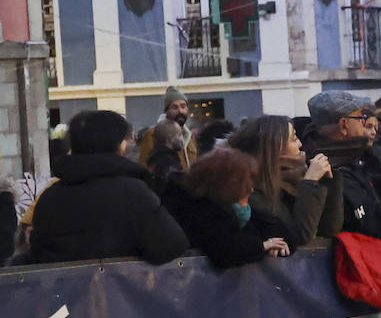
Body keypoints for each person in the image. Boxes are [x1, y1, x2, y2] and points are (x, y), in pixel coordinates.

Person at [26, 110, 188, 265]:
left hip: (65, 291)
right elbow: (172, 245)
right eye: (124, 139)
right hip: (120, 291)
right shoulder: (133, 193)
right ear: (116, 145)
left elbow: (38, 251)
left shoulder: (49, 197)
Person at [303, 90, 381, 237]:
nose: (364, 123)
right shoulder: (330, 168)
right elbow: (378, 222)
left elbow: (374, 190)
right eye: (360, 118)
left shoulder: (348, 156)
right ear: (344, 125)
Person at [162, 148, 293, 269]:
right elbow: (222, 248)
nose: (251, 190)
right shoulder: (193, 211)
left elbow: (267, 223)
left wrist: (278, 242)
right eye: (245, 186)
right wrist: (262, 246)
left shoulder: (226, 206)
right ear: (229, 186)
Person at [228, 115, 342, 248]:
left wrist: (329, 181)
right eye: (294, 139)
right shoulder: (251, 189)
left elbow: (330, 229)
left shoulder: (299, 176)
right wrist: (310, 181)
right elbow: (301, 236)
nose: (300, 144)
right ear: (274, 147)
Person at [138, 86, 199, 167]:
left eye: (183, 106)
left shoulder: (190, 136)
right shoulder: (152, 134)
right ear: (167, 111)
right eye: (175, 107)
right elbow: (144, 166)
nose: (180, 111)